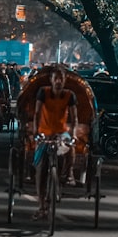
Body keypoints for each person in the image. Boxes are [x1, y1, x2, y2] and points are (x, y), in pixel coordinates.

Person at [32, 65, 78, 219]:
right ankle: (41, 205)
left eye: (61, 79)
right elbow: (37, 113)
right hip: (44, 133)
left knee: (70, 148)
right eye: (56, 78)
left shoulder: (69, 95)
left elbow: (74, 118)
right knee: (40, 170)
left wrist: (73, 134)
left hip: (61, 133)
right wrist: (35, 132)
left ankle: (67, 174)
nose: (58, 81)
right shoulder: (43, 93)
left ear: (64, 81)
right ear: (51, 80)